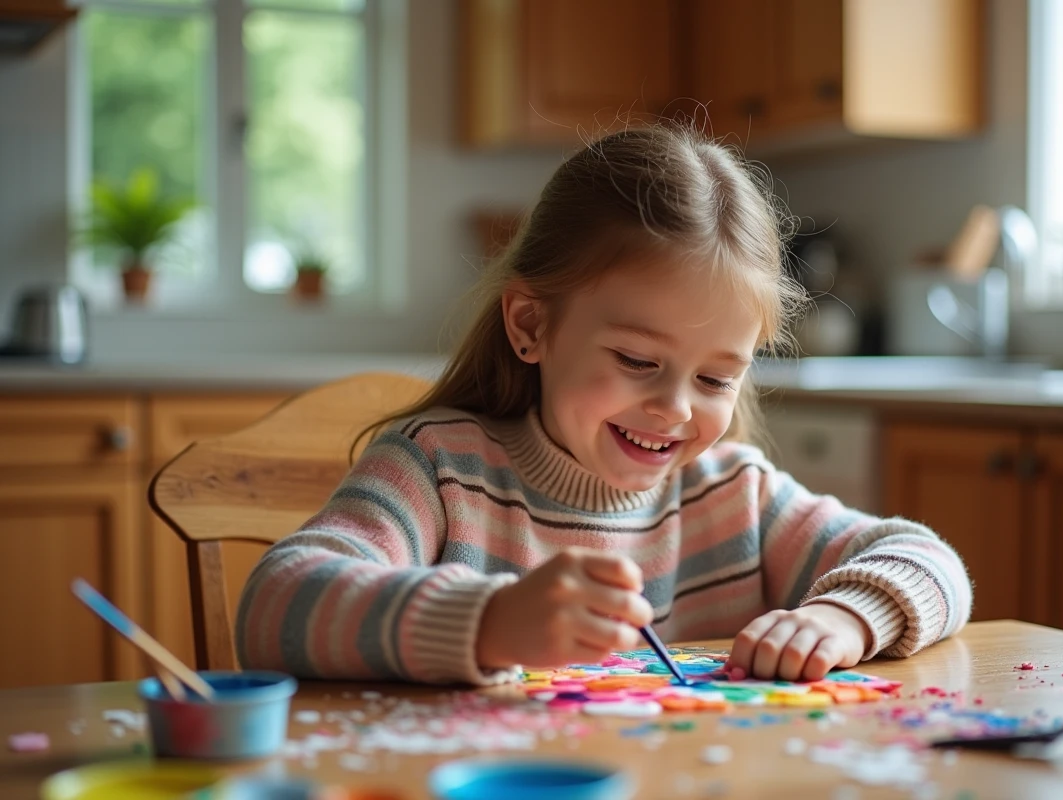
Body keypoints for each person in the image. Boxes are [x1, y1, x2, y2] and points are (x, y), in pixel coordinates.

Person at [236, 123, 971, 686]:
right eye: (637, 361)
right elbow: (275, 605)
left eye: (717, 379)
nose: (677, 408)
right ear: (531, 325)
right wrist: (487, 623)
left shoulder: (731, 495)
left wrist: (842, 618)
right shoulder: (442, 472)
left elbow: (929, 562)